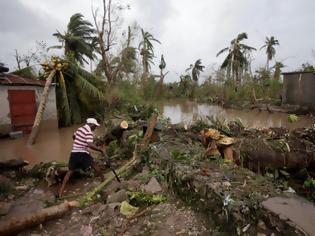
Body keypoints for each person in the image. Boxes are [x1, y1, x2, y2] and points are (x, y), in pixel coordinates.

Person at [58, 118, 104, 197]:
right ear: (91, 125)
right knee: (95, 166)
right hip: (82, 153)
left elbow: (74, 136)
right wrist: (100, 150)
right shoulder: (89, 132)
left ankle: (60, 192)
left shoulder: (80, 129)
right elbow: (90, 144)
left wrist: (79, 143)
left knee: (69, 172)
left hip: (74, 153)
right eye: (95, 126)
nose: (95, 128)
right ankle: (103, 180)